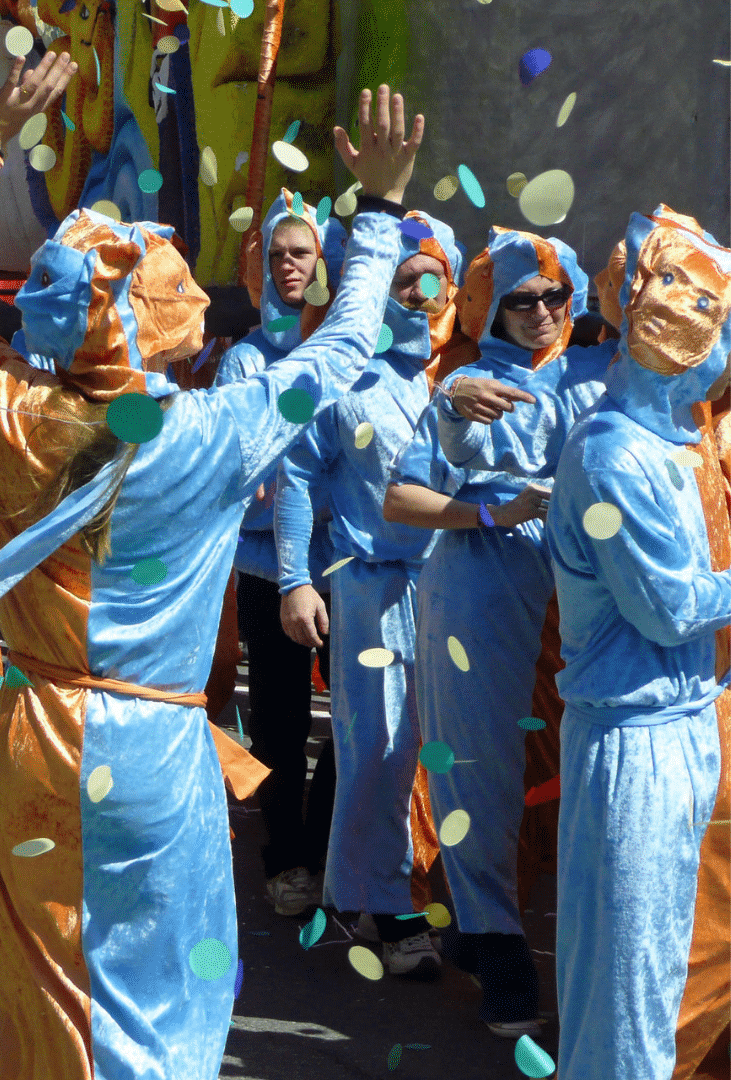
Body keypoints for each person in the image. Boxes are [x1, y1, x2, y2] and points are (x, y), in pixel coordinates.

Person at [0, 53, 419, 1078]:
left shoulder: (12, 409)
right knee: (163, 1002)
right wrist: (377, 209)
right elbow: (350, 339)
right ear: (166, 317)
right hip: (155, 752)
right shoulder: (224, 425)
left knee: (49, 1003)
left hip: (35, 735)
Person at [381, 226, 602, 1036]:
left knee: (580, 767)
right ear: (493, 307)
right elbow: (399, 500)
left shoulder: (607, 375)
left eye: (555, 295)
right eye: (522, 299)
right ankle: (498, 941)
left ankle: (490, 923)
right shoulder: (466, 384)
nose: (541, 311)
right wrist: (488, 508)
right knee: (478, 767)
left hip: (586, 599)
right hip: (483, 587)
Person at [544, 208, 731, 1080]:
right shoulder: (612, 455)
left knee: (651, 973)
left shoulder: (664, 447)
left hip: (677, 729)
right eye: (717, 326)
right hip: (635, 742)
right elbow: (666, 606)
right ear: (675, 336)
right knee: (624, 992)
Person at [272, 191, 462, 979]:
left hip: (455, 591)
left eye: (434, 279)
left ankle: (398, 892)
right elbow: (293, 472)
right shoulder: (347, 375)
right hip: (371, 589)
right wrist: (294, 579)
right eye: (405, 279)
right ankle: (382, 907)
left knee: (442, 754)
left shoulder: (461, 374)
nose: (420, 295)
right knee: (376, 748)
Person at [215, 191, 348, 918]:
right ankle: (284, 855)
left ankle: (323, 840)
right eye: (277, 255)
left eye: (302, 253)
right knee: (278, 720)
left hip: (347, 565)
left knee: (352, 717)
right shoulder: (245, 361)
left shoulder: (345, 354)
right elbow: (237, 464)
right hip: (268, 569)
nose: (289, 266)